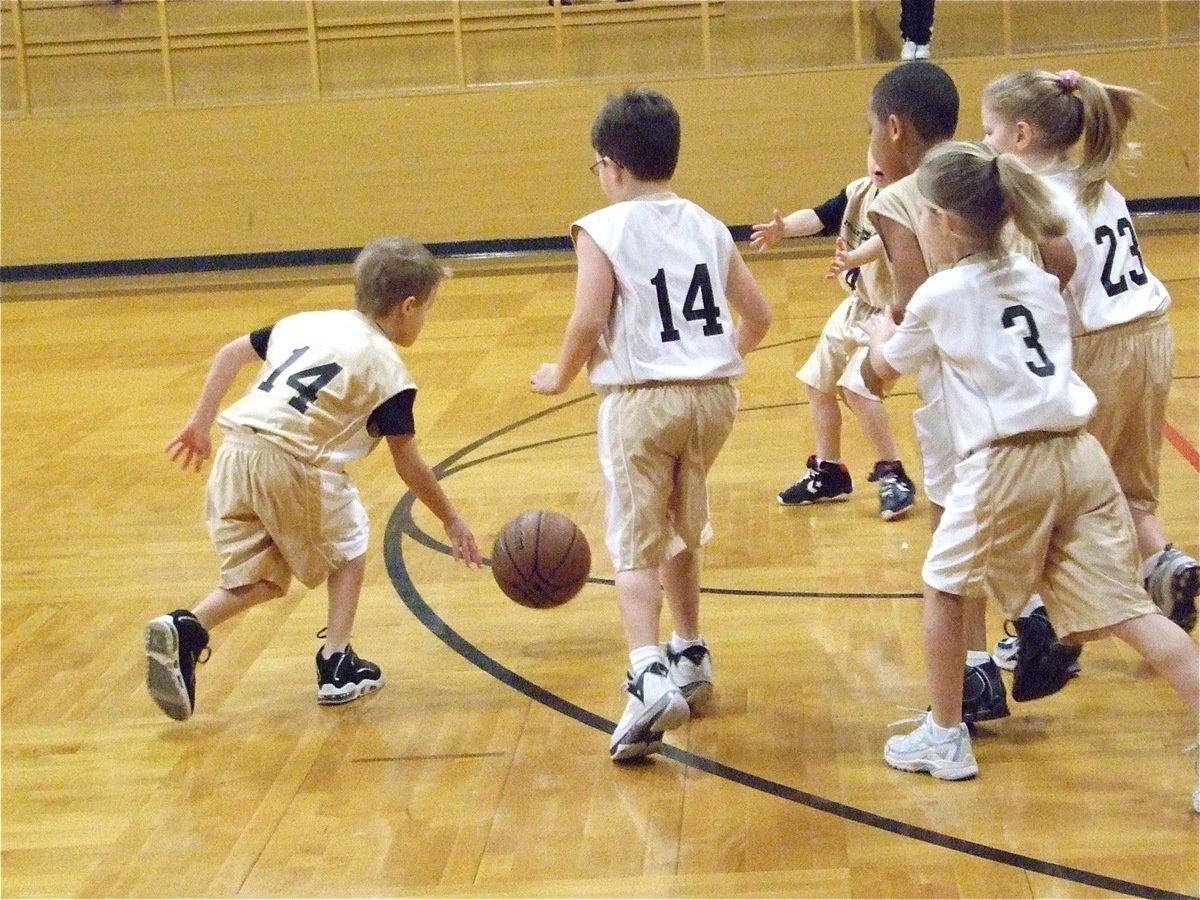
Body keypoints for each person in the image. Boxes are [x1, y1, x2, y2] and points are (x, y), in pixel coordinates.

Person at [862, 141, 1199, 810]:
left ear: (947, 224)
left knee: (945, 589)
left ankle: (944, 734)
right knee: (1129, 612)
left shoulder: (941, 293)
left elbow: (881, 373)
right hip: (1080, 456)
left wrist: (876, 331)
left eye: (925, 215)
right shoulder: (1037, 279)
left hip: (1009, 461)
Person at [145, 236, 483, 722]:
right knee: (350, 546)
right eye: (428, 308)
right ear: (408, 307)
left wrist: (200, 424)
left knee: (263, 575)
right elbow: (406, 460)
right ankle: (337, 663)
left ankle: (186, 627)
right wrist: (451, 519)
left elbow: (229, 354)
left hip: (235, 451)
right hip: (292, 461)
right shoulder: (387, 368)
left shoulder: (308, 321)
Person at [530, 87, 772, 761]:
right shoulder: (708, 224)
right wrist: (711, 361)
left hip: (642, 401)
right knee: (681, 523)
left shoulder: (600, 229)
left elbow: (586, 319)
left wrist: (559, 372)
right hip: (714, 398)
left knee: (634, 541)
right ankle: (689, 652)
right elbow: (760, 317)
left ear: (610, 166)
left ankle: (646, 671)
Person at [865, 61, 1082, 725]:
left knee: (950, 542)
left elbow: (905, 302)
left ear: (894, 129)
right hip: (1027, 385)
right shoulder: (989, 169)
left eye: (870, 127)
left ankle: (975, 674)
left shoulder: (903, 200)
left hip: (958, 395)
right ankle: (1031, 618)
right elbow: (1062, 260)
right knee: (1005, 525)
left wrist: (879, 326)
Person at [980, 68, 1198, 651]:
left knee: (1073, 495)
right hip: (1152, 333)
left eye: (990, 132)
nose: (986, 144)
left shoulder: (1032, 205)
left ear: (1022, 136)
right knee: (1132, 485)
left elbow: (1039, 290)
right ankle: (1164, 562)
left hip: (1098, 346)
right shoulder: (1097, 182)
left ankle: (1058, 635)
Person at [751, 150, 916, 520]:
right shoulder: (859, 192)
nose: (878, 160)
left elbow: (886, 240)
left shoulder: (910, 199)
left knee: (858, 389)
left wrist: (853, 258)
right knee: (818, 382)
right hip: (857, 304)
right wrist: (785, 229)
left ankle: (894, 473)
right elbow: (821, 216)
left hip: (891, 313)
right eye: (873, 150)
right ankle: (830, 471)